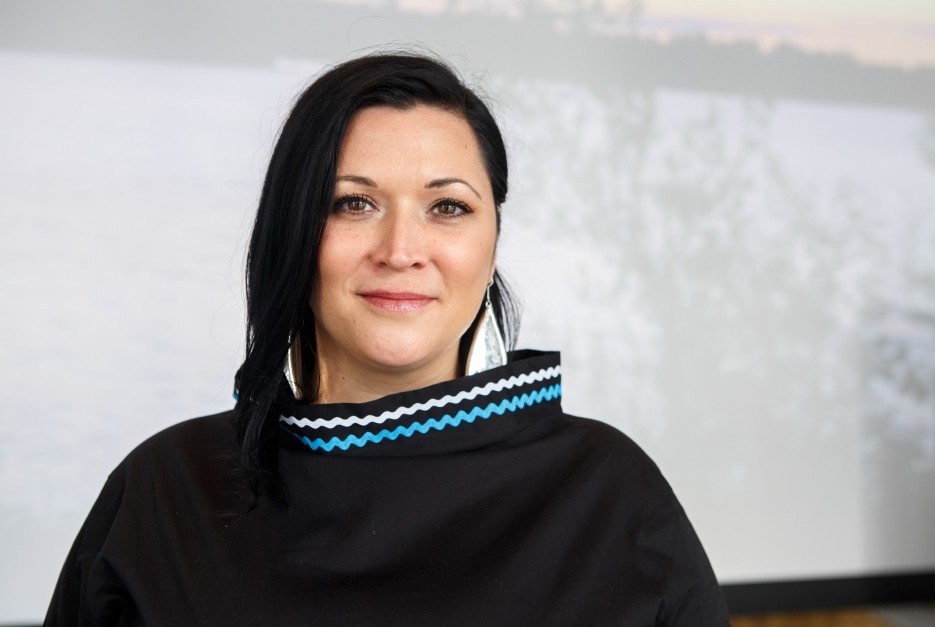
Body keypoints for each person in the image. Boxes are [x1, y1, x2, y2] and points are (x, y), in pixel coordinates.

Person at [45, 53, 730, 625]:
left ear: (493, 244)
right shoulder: (165, 494)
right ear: (291, 232)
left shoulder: (609, 495)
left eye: (448, 207)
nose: (402, 249)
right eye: (353, 202)